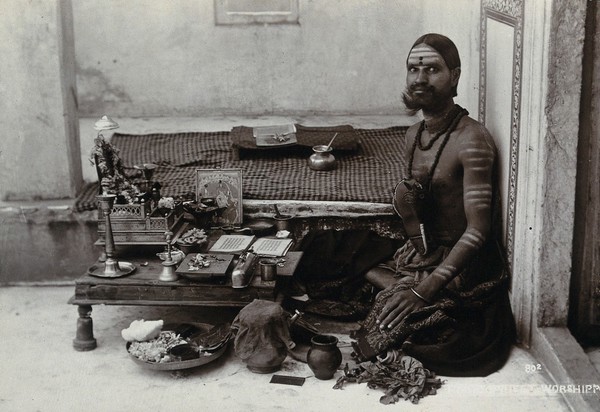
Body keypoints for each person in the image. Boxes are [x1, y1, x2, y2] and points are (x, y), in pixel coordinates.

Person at [351, 33, 516, 376]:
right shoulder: (414, 134)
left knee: (389, 331)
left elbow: (479, 230)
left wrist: (423, 291)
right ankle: (397, 282)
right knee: (334, 246)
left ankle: (403, 288)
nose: (420, 78)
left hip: (463, 265)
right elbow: (416, 208)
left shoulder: (472, 141)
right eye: (414, 69)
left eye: (433, 69)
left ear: (455, 76)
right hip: (423, 251)